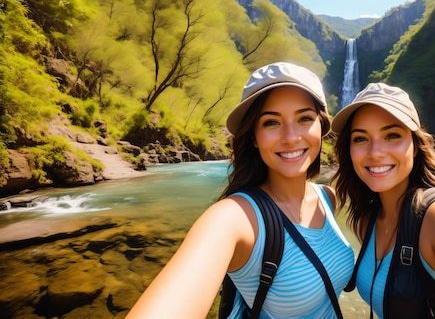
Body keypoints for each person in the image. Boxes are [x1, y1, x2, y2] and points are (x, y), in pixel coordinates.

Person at [127, 62, 354, 318]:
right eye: (271, 122)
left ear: (321, 128)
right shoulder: (233, 218)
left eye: (304, 118)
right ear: (254, 137)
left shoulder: (328, 198)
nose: (291, 137)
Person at [331, 82, 435, 319]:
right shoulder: (367, 219)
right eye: (360, 139)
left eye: (392, 135)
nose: (376, 152)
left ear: (414, 147)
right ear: (349, 149)